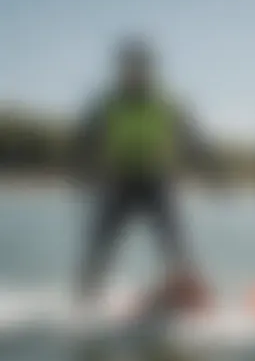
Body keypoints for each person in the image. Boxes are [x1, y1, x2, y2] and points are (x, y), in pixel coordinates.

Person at [73, 36, 215, 300]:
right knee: (100, 244)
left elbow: (194, 138)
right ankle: (85, 298)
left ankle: (190, 299)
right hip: (119, 182)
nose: (135, 72)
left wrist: (208, 169)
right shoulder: (107, 104)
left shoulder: (166, 103)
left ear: (150, 70)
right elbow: (85, 138)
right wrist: (82, 173)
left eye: (141, 67)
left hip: (155, 182)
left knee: (175, 244)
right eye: (129, 67)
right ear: (121, 69)